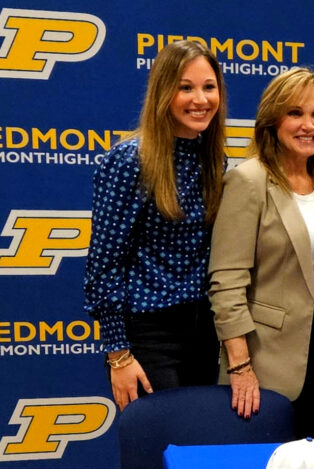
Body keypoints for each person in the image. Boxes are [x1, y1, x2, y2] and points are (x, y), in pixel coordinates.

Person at [84, 40, 226, 411]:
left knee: (193, 456)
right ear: (164, 91)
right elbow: (104, 265)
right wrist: (118, 355)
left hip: (203, 333)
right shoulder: (130, 160)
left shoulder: (213, 160)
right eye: (186, 87)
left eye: (209, 87)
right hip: (147, 336)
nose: (200, 99)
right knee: (156, 454)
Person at [208, 67, 314, 440]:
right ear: (272, 121)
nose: (308, 125)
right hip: (264, 354)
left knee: (311, 461)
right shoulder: (248, 181)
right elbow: (226, 283)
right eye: (295, 113)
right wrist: (240, 365)